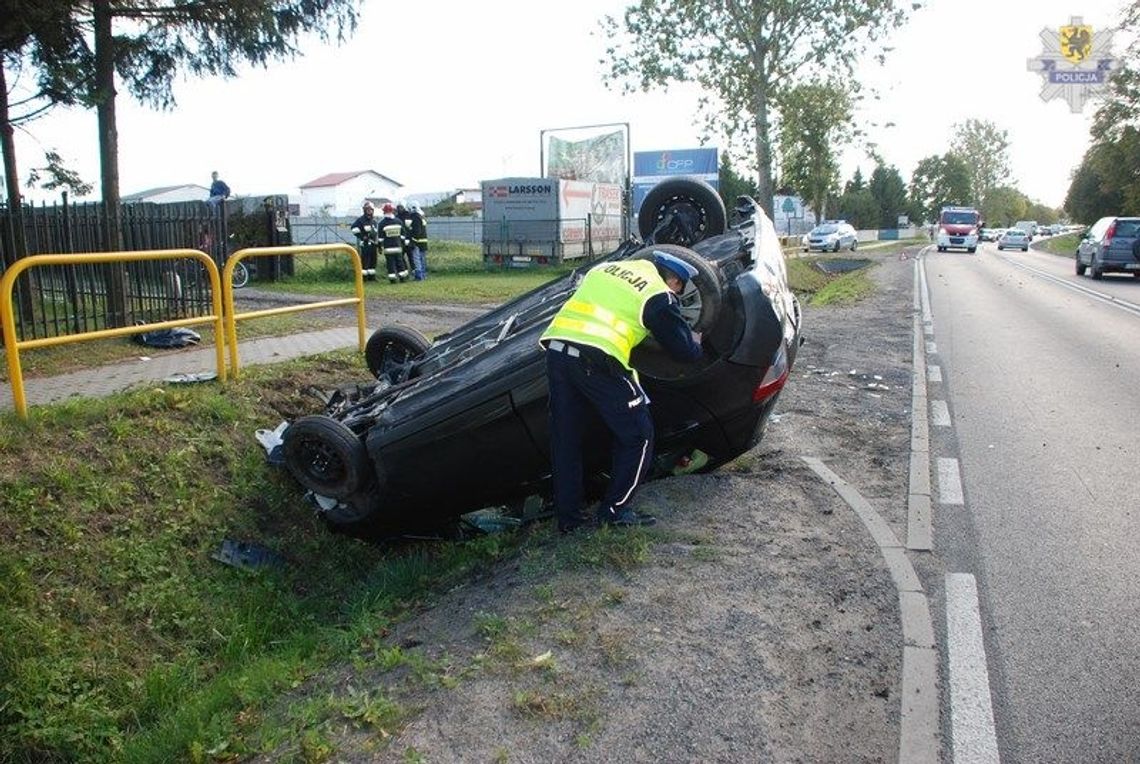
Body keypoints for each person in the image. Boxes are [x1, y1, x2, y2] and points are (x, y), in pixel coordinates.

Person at [540, 251, 703, 533]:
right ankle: (615, 511)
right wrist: (696, 342)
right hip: (596, 360)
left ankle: (569, 520)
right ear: (673, 279)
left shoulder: (605, 269)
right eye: (679, 288)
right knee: (638, 435)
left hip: (557, 351)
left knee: (566, 440)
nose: (677, 294)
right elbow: (683, 351)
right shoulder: (657, 294)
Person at [378, 203, 410, 283]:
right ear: (393, 211)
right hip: (398, 247)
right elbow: (403, 235)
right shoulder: (398, 221)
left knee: (390, 264)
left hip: (388, 248)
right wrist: (402, 244)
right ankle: (402, 278)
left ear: (384, 212)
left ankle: (393, 279)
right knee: (400, 262)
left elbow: (381, 239)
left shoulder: (382, 223)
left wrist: (379, 247)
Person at [350, 202, 380, 281]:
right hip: (365, 244)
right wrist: (362, 236)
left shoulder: (374, 221)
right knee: (365, 261)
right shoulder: (361, 220)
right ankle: (364, 278)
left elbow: (376, 233)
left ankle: (372, 277)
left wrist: (378, 244)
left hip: (373, 244)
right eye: (368, 210)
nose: (369, 211)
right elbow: (353, 229)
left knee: (373, 261)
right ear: (364, 210)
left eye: (371, 210)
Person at [407, 202, 429, 280]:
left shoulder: (415, 218)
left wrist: (413, 241)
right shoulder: (421, 217)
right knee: (422, 259)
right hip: (423, 242)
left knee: (417, 259)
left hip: (417, 243)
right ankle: (423, 274)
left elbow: (417, 232)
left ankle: (419, 276)